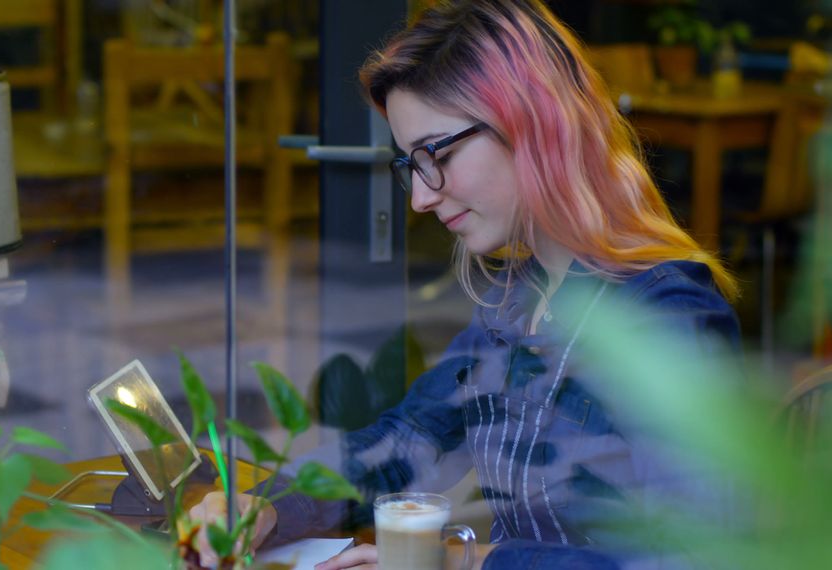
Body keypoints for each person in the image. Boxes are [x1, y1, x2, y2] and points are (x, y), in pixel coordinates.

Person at [191, 1, 742, 568]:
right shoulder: (525, 297)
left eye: (436, 154)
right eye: (411, 164)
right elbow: (406, 441)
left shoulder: (667, 316)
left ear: (533, 121)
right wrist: (268, 507)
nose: (421, 197)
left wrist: (461, 562)